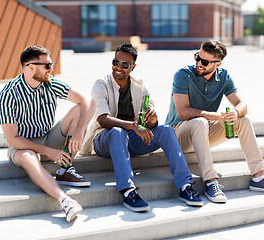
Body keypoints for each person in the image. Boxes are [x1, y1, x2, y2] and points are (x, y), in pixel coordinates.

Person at [80, 43, 203, 212]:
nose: (118, 67)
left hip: (132, 138)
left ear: (133, 67)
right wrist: (133, 125)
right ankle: (128, 191)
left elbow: (150, 123)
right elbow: (103, 119)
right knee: (118, 132)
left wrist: (152, 120)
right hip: (104, 139)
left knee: (166, 129)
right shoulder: (101, 84)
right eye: (115, 62)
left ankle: (185, 186)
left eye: (125, 65)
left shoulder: (141, 86)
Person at [165, 39, 264, 204]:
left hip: (203, 131)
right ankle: (211, 182)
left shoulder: (223, 76)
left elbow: (242, 104)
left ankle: (258, 177)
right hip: (177, 133)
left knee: (243, 121)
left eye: (204, 61)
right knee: (200, 122)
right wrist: (214, 116)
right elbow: (183, 112)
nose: (198, 63)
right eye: (197, 57)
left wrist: (235, 113)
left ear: (218, 63)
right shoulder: (182, 75)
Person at [0, 46, 95, 222]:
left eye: (52, 64)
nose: (51, 69)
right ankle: (65, 201)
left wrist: (80, 131)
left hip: (49, 137)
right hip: (22, 146)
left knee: (80, 110)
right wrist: (49, 152)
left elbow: (88, 101)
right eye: (47, 65)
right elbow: (13, 139)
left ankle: (65, 168)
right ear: (31, 68)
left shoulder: (50, 83)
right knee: (29, 157)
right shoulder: (9, 93)